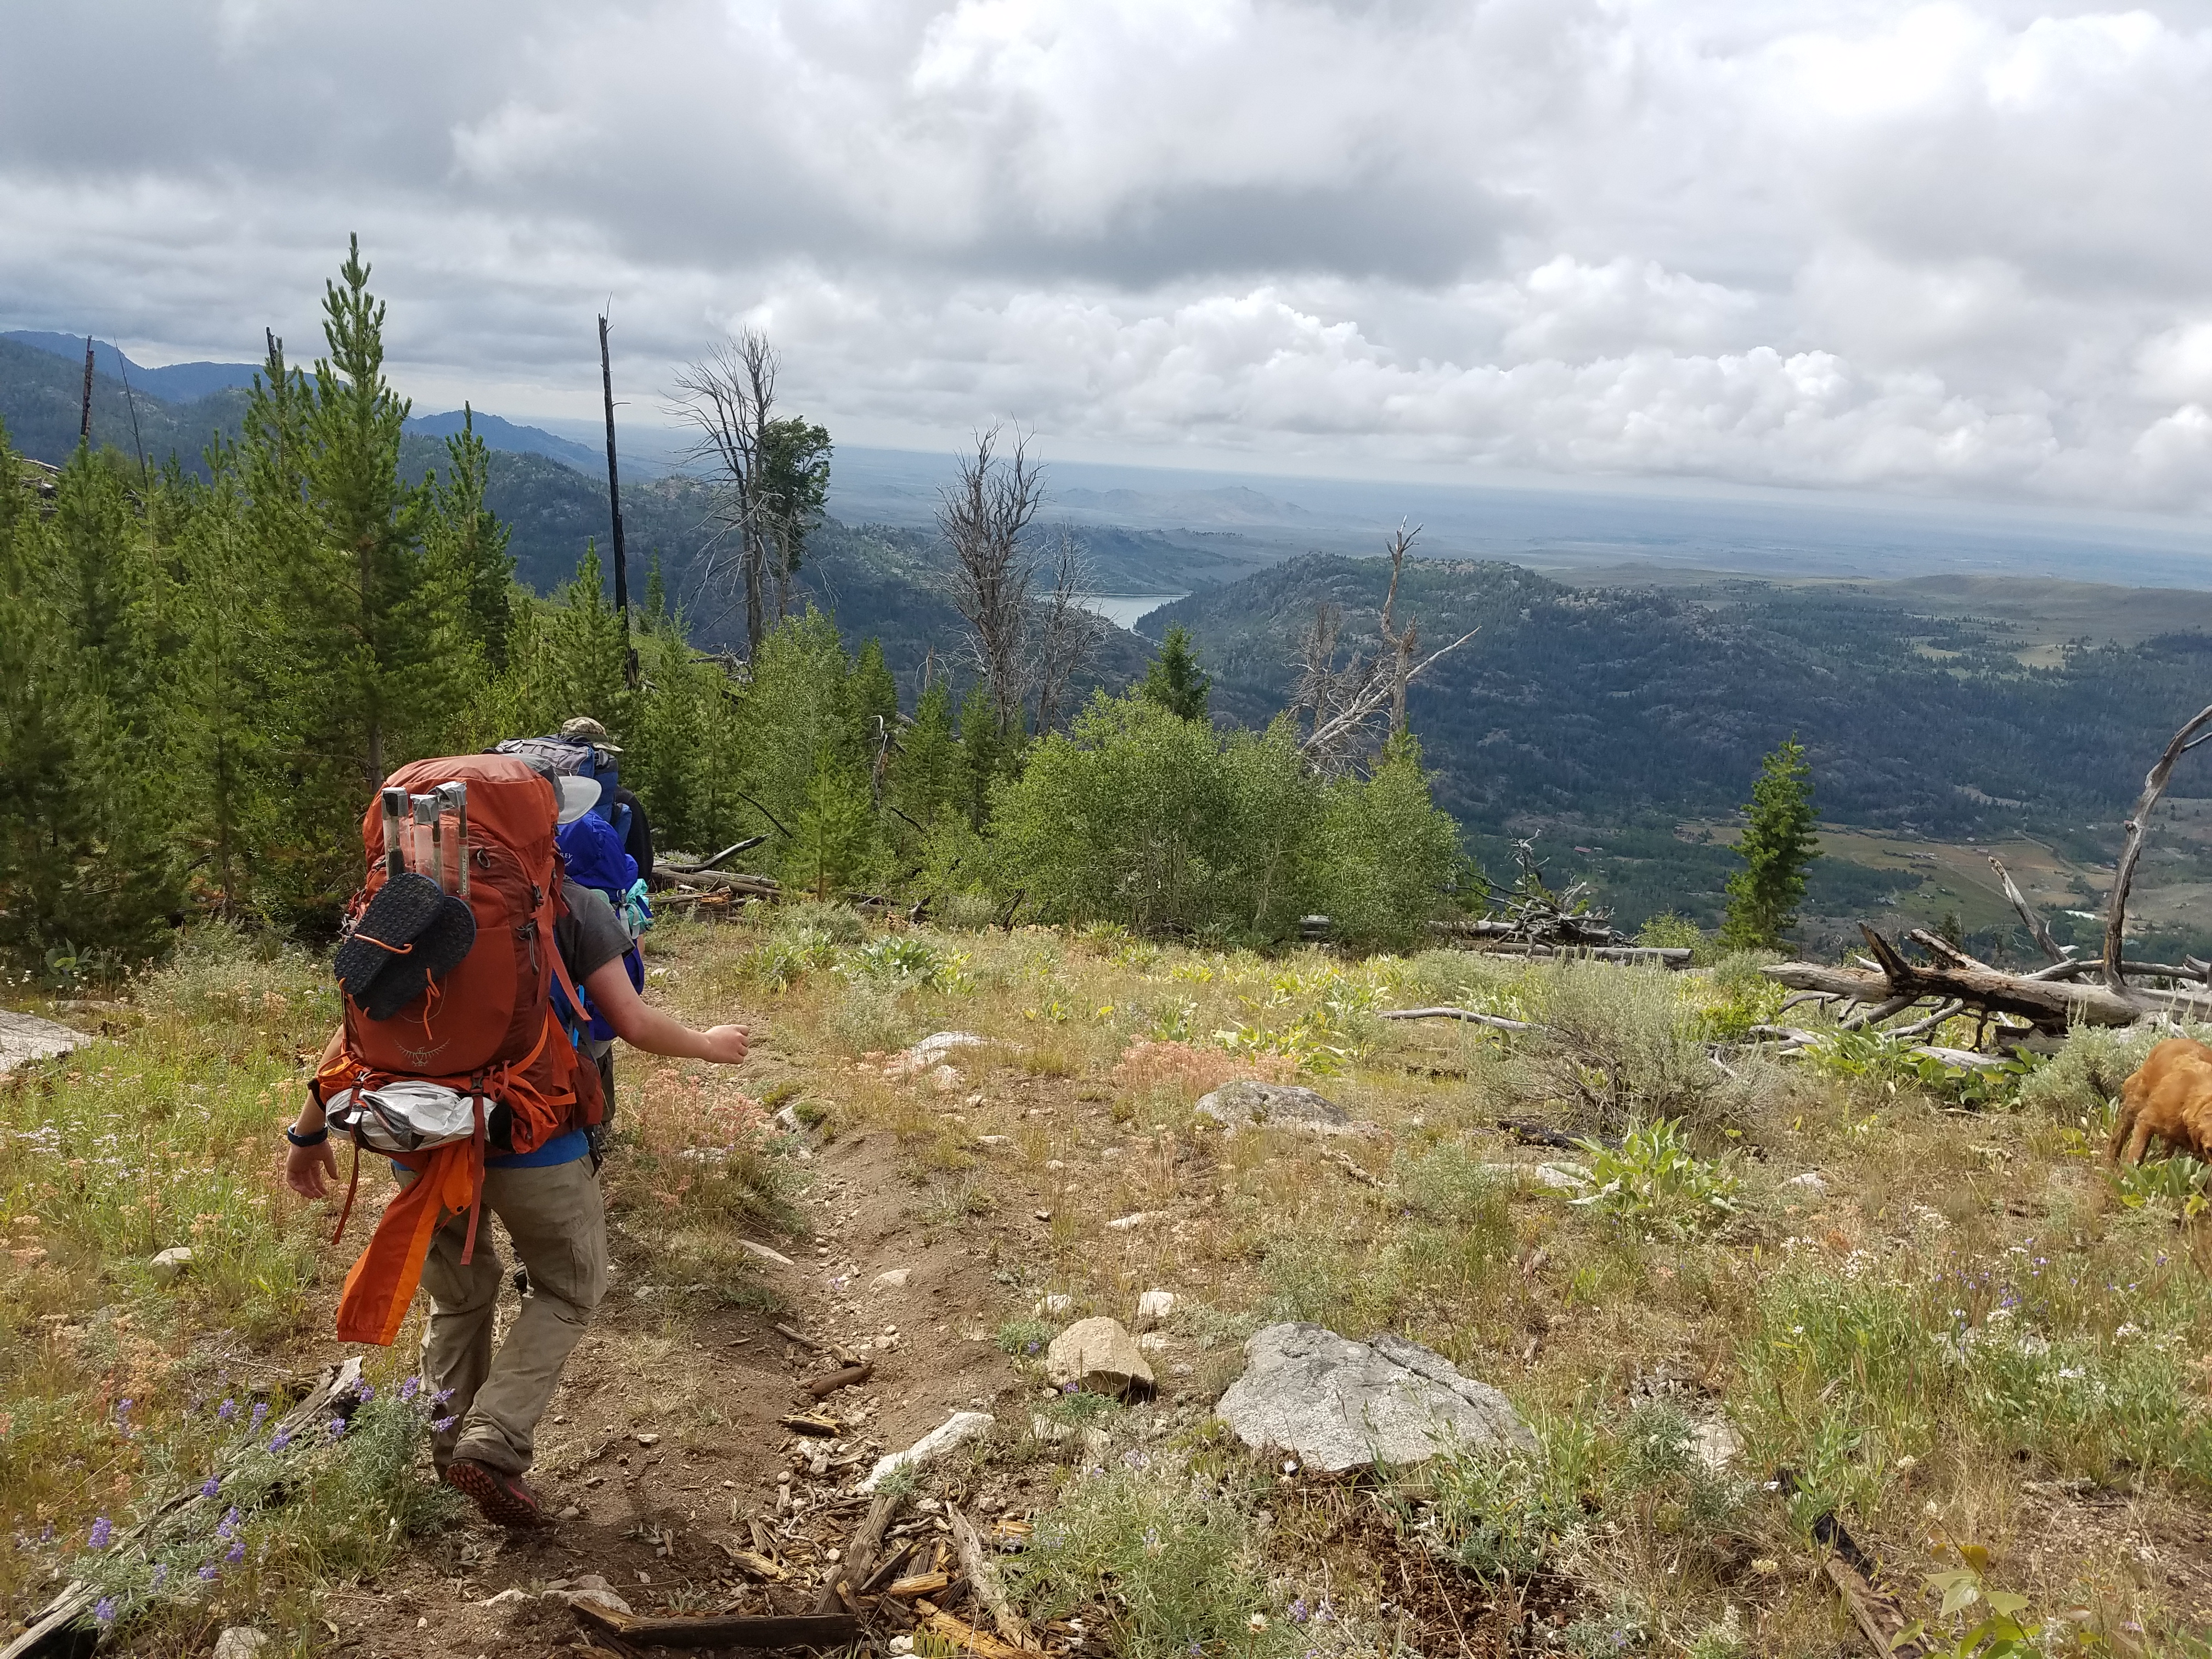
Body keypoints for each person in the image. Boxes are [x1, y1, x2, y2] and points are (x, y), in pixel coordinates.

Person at [282, 774, 748, 1527]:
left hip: (421, 1142)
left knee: (459, 1297)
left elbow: (355, 1034)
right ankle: (493, 1443)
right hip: (536, 1140)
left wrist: (307, 1131)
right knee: (569, 1286)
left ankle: (443, 1445)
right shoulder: (570, 905)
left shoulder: (399, 906)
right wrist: (710, 1046)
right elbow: (628, 1023)